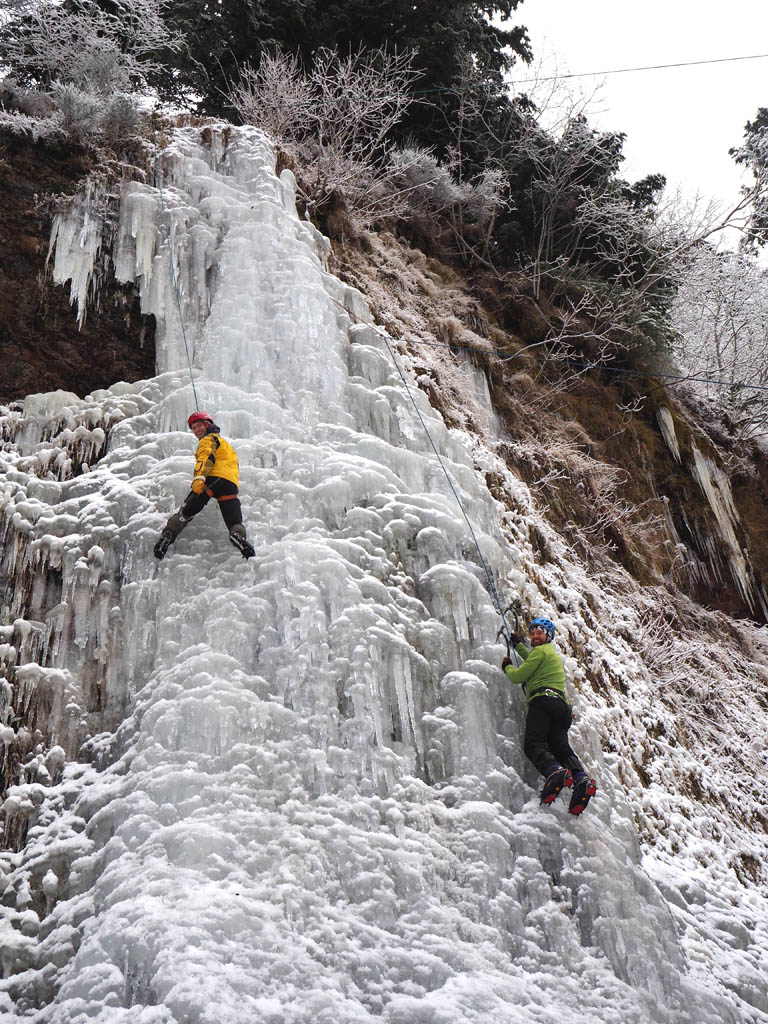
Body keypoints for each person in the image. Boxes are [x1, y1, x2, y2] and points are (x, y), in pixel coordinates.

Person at [502, 616, 596, 815]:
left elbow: (518, 676)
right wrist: (518, 646)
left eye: (540, 633)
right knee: (561, 748)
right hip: (561, 708)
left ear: (548, 636)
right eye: (533, 633)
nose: (535, 636)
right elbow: (532, 661)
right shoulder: (548, 653)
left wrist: (507, 666)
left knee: (533, 744)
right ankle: (581, 779)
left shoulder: (540, 651)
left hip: (543, 702)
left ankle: (554, 771)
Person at [153, 411, 255, 561]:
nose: (196, 430)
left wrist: (199, 478)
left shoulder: (208, 440)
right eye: (193, 428)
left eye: (199, 425)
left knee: (186, 512)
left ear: (208, 425)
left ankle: (168, 534)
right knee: (234, 521)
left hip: (213, 480)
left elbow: (206, 457)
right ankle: (238, 537)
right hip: (230, 485)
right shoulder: (226, 444)